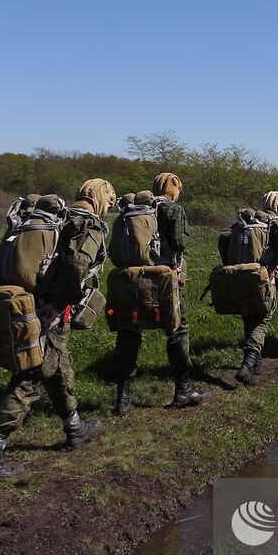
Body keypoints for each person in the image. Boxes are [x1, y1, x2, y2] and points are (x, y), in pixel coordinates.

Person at [0, 181, 114, 483]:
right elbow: (78, 265)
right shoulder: (88, 225)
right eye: (110, 200)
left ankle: (75, 427)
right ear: (100, 198)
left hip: (28, 305)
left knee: (57, 366)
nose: (111, 206)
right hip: (47, 311)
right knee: (31, 377)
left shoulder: (56, 218)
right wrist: (58, 303)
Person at [109, 173, 205, 410]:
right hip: (162, 282)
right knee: (177, 330)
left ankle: (122, 398)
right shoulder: (172, 210)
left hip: (130, 281)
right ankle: (183, 388)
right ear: (174, 189)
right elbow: (181, 243)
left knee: (129, 333)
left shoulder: (132, 211)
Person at [219, 191, 278, 385]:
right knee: (263, 317)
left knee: (248, 314)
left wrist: (229, 263)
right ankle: (248, 362)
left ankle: (256, 364)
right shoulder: (276, 223)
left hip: (239, 275)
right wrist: (274, 263)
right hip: (262, 277)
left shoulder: (245, 221)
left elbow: (224, 237)